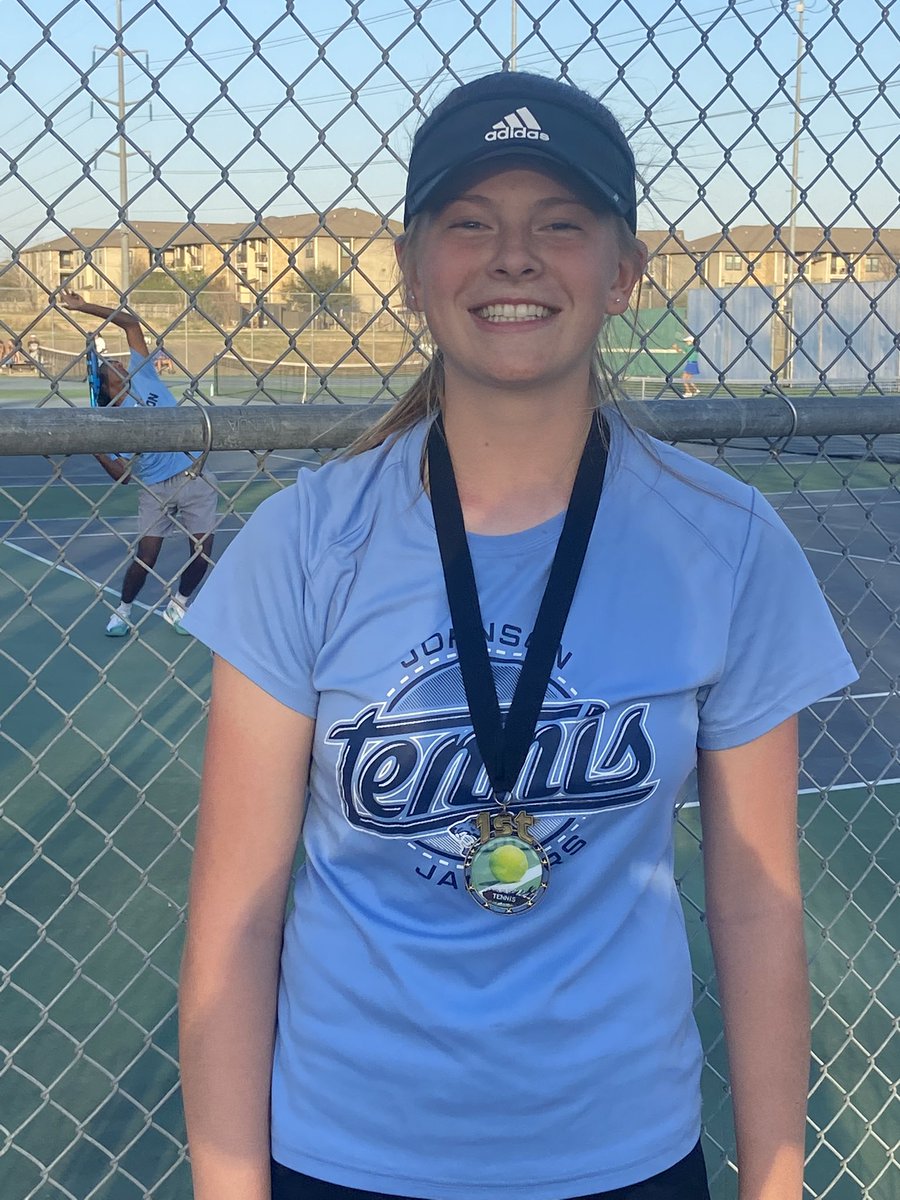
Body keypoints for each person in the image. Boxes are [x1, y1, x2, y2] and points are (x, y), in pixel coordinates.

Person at [178, 71, 857, 1200]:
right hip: (343, 1154)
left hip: (624, 1155)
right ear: (410, 271)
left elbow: (754, 898)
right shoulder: (305, 542)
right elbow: (238, 922)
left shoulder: (726, 544)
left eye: (560, 224)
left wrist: (775, 1182)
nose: (513, 258)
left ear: (625, 271)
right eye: (470, 224)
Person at [58, 288, 218, 636]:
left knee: (203, 551)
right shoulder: (112, 425)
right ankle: (123, 610)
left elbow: (131, 325)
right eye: (111, 367)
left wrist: (86, 308)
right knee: (146, 557)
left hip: (193, 474)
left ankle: (179, 605)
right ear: (108, 386)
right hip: (154, 489)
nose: (118, 363)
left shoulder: (144, 374)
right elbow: (123, 476)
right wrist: (97, 447)